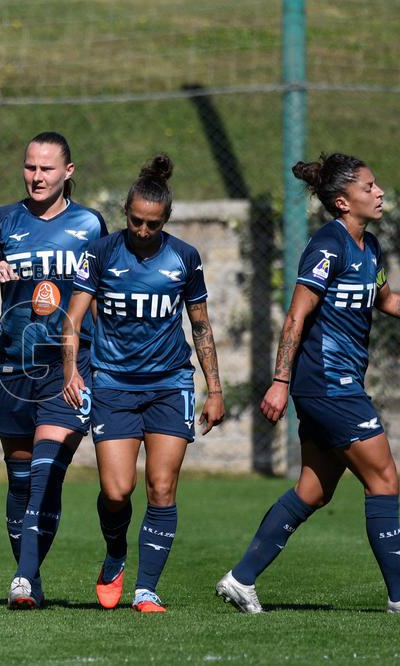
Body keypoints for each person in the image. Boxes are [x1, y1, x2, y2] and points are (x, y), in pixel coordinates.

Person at [217, 153, 400, 614]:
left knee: (314, 491)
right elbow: (296, 315)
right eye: (369, 187)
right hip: (326, 384)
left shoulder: (370, 246)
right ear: (343, 202)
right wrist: (280, 381)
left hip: (336, 385)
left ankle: (241, 579)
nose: (379, 193)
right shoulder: (327, 246)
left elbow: (385, 299)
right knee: (384, 481)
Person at [63, 154, 225, 613]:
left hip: (170, 384)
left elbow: (201, 326)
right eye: (135, 221)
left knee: (161, 487)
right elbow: (72, 319)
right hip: (113, 383)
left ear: (165, 220)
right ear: (125, 214)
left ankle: (146, 588)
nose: (142, 231)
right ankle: (115, 553)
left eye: (152, 224)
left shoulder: (184, 258)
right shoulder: (100, 253)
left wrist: (215, 389)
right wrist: (71, 370)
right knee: (116, 492)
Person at [0, 132, 107, 609]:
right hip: (14, 367)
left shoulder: (90, 225)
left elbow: (100, 297)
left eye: (47, 168)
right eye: (30, 167)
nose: (37, 176)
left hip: (67, 365)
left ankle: (23, 578)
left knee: (48, 472)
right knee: (21, 478)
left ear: (69, 172)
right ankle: (30, 574)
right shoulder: (2, 221)